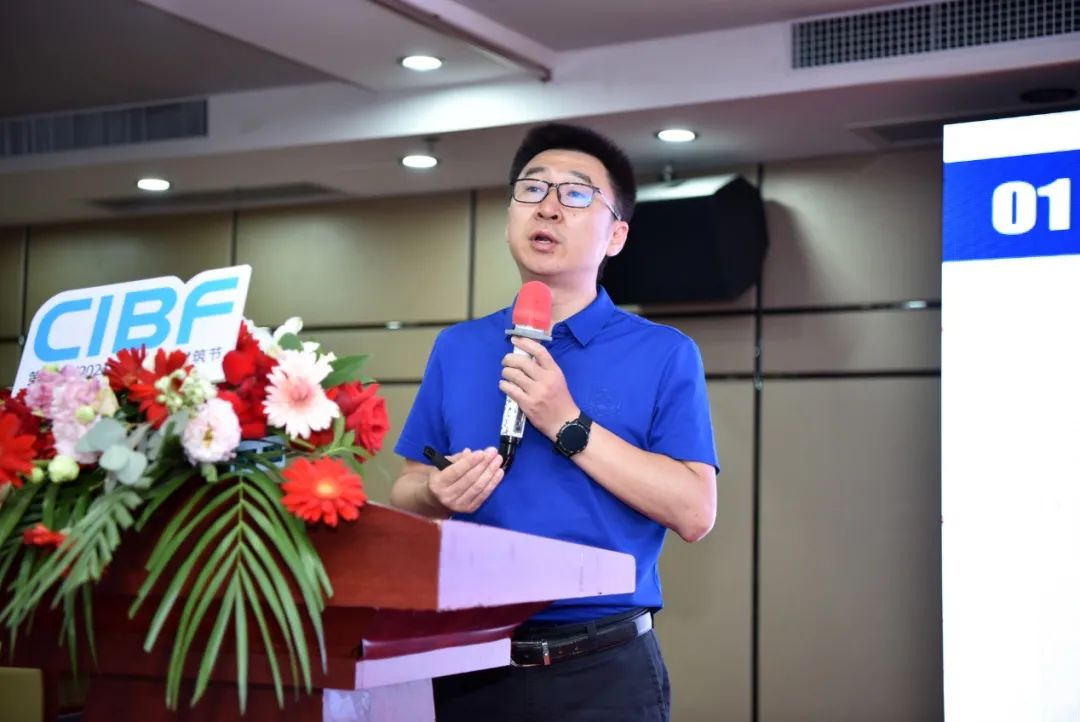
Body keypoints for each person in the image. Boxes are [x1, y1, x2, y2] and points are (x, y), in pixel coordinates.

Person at [390, 122, 718, 722]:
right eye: (532, 188)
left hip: (602, 669)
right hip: (466, 662)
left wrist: (567, 421)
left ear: (616, 235)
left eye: (575, 193)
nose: (547, 206)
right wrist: (436, 492)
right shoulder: (458, 346)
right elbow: (407, 489)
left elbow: (695, 512)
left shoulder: (664, 352)